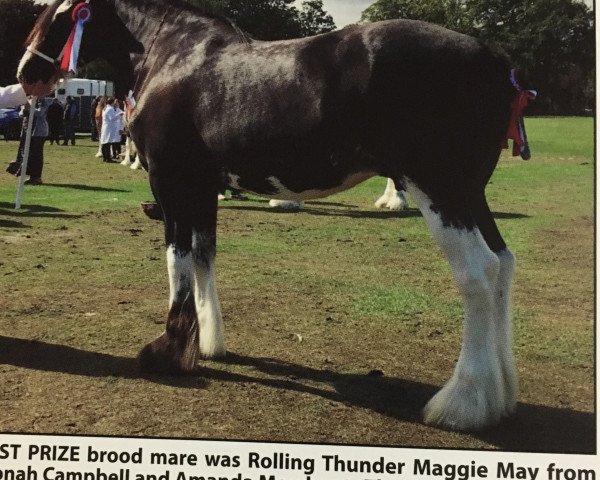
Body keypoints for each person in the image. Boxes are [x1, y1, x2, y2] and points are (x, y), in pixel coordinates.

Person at [6, 98, 49, 184]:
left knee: (36, 155)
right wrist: (24, 109)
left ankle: (37, 177)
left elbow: (40, 113)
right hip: (27, 130)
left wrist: (30, 107)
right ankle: (31, 176)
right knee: (27, 154)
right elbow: (21, 114)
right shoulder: (27, 100)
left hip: (38, 132)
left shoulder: (43, 101)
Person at [100, 97, 124, 163]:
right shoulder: (110, 109)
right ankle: (108, 158)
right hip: (109, 128)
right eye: (114, 102)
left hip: (105, 126)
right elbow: (112, 118)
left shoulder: (105, 108)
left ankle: (105, 157)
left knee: (104, 142)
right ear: (112, 102)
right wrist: (119, 115)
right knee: (107, 143)